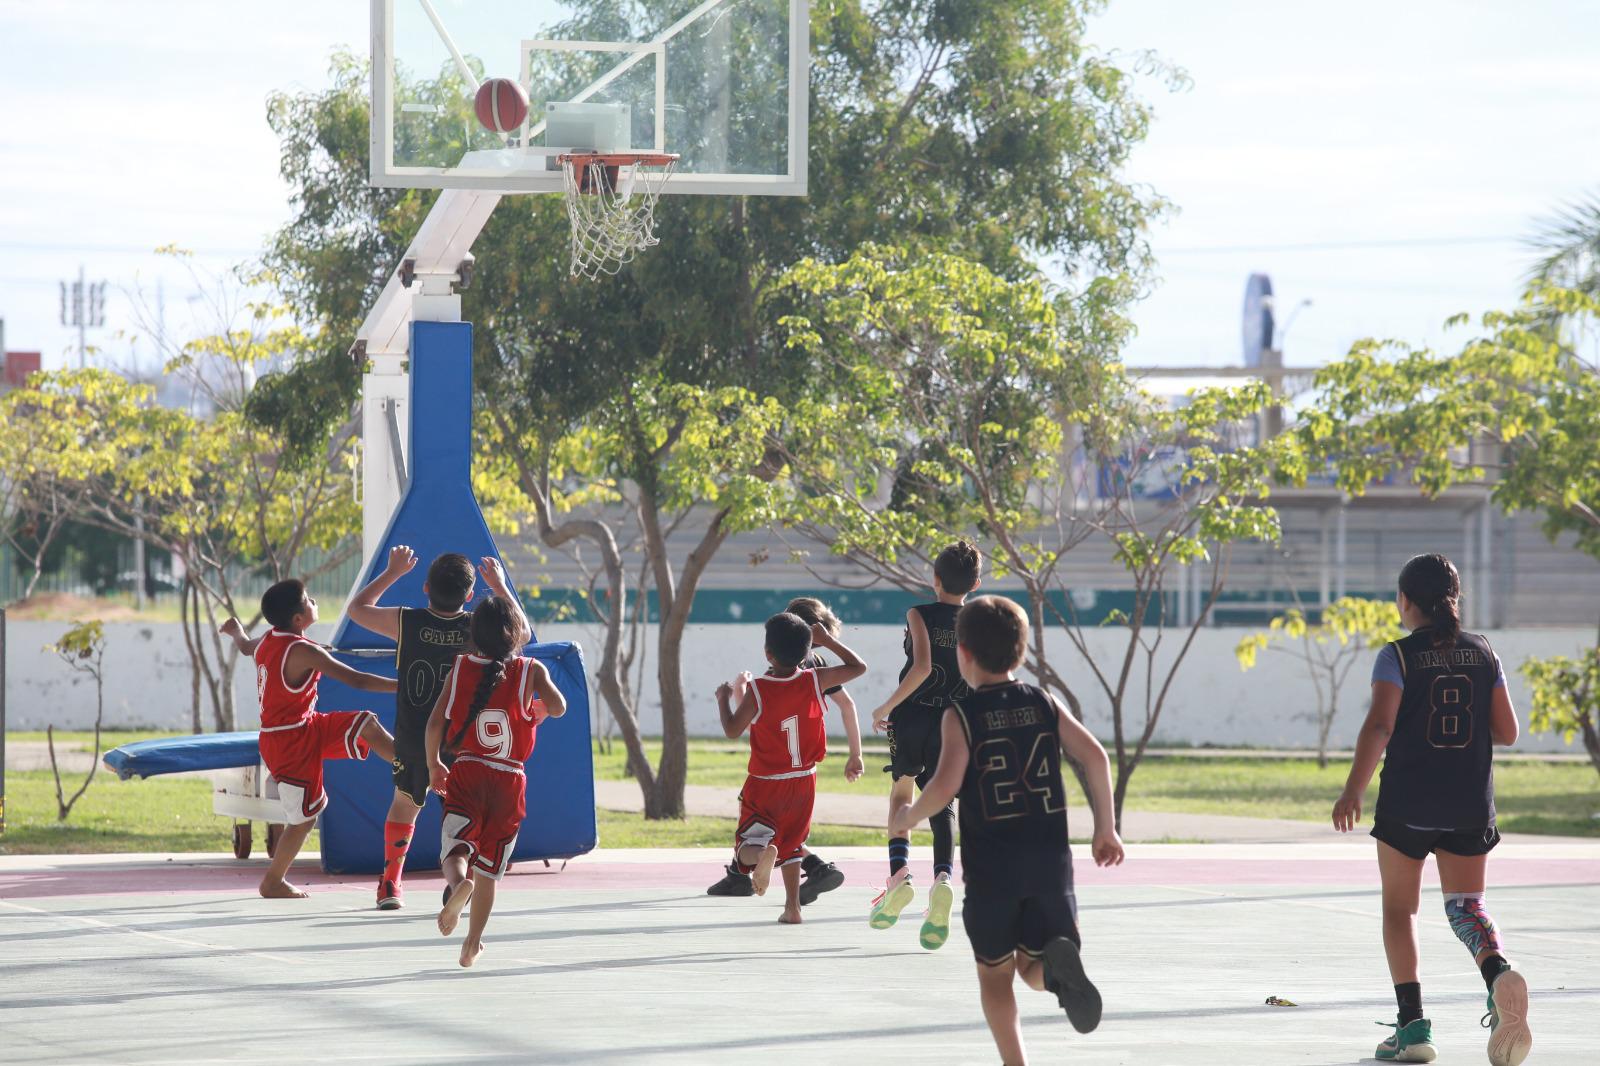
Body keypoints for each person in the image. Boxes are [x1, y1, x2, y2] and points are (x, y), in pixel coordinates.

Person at [892, 595, 1123, 1066]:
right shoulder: (1044, 701)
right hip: (1049, 866)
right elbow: (1095, 755)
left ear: (963, 654)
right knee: (1033, 965)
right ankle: (1057, 976)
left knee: (996, 977)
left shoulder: (960, 716)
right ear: (1020, 653)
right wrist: (1106, 829)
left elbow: (944, 787)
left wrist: (909, 817)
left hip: (993, 872)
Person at [1333, 554, 1532, 1066]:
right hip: (1469, 804)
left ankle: (1413, 1027)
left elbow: (1379, 726)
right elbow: (1508, 732)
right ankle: (1498, 974)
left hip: (1407, 806)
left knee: (1401, 911)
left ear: (1405, 601)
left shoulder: (1396, 656)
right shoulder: (1485, 652)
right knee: (1466, 906)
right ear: (1454, 599)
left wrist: (1352, 790)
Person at [346, 547, 528, 911]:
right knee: (464, 818)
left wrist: (392, 572)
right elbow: (522, 632)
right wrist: (502, 586)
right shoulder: (478, 627)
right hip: (464, 744)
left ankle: (391, 885)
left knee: (404, 806)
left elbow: (356, 610)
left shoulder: (408, 621)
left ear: (426, 587)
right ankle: (460, 881)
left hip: (416, 737)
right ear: (472, 594)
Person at [220, 580, 398, 900]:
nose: (314, 600)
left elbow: (247, 647)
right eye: (308, 599)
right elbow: (355, 679)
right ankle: (273, 880)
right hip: (289, 741)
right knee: (305, 819)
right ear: (299, 618)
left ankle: (411, 765)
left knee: (367, 725)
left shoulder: (269, 640)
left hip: (304, 727)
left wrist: (236, 632)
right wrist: (401, 686)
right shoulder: (303, 651)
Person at [426, 595, 566, 968]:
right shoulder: (531, 669)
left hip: (468, 770)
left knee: (455, 846)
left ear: (474, 634)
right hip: (510, 779)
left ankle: (458, 887)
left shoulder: (459, 668)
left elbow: (435, 722)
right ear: (516, 632)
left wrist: (434, 763)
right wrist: (540, 708)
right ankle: (473, 942)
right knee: (489, 870)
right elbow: (559, 706)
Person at [706, 596, 864, 903]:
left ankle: (753, 862)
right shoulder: (816, 678)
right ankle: (793, 907)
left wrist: (725, 697)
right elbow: (858, 667)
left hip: (766, 782)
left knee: (748, 845)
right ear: (809, 646)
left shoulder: (760, 687)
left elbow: (734, 729)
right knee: (792, 843)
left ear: (768, 651)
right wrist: (828, 641)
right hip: (805, 779)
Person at [867, 540, 981, 948]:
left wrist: (886, 706)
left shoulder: (919, 613)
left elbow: (922, 667)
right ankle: (943, 878)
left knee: (902, 792)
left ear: (934, 579)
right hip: (955, 721)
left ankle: (899, 875)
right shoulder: (976, 620)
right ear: (977, 582)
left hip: (913, 715)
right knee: (943, 802)